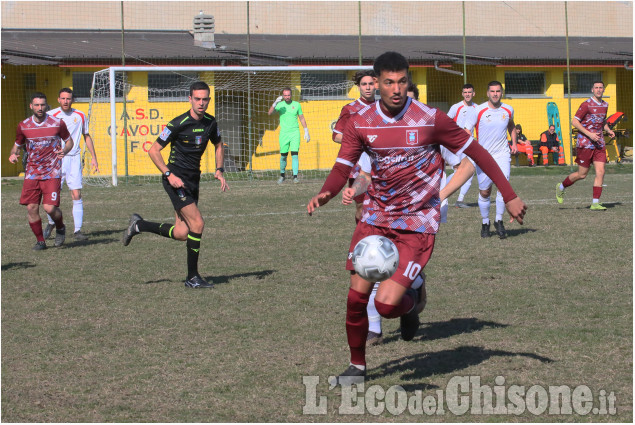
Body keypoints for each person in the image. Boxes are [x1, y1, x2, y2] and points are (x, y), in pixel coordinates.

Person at [307, 52, 527, 384]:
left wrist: (509, 194)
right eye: (388, 82)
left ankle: (410, 306)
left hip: (416, 223)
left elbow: (477, 153)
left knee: (386, 305)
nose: (396, 89)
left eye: (402, 81)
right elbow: (343, 166)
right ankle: (358, 366)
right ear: (376, 83)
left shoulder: (430, 119)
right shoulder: (361, 121)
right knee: (355, 297)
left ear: (409, 81)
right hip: (375, 220)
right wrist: (326, 192)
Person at [122, 81, 229, 288]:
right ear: (190, 99)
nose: (201, 103)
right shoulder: (177, 124)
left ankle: (138, 225)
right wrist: (169, 174)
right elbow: (153, 150)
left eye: (205, 99)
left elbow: (218, 145)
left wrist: (219, 169)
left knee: (182, 233)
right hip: (175, 180)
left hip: (193, 180)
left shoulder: (210, 122)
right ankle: (192, 277)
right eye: (197, 99)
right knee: (197, 224)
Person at [333, 70, 383, 345]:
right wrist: (359, 137)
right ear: (358, 87)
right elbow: (337, 136)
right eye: (363, 84)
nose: (367, 88)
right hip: (360, 171)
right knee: (364, 213)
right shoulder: (350, 109)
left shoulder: (383, 107)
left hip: (385, 172)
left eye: (370, 83)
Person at [9, 92, 73, 250]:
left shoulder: (57, 123)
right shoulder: (23, 125)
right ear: (31, 106)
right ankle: (40, 241)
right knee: (31, 207)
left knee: (49, 208)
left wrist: (64, 151)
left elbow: (69, 142)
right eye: (36, 105)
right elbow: (17, 145)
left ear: (46, 106)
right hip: (32, 172)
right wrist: (13, 154)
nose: (40, 108)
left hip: (52, 171)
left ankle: (60, 227)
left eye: (42, 105)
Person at [42, 88, 99, 241]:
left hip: (73, 159)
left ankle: (77, 231)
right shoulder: (50, 115)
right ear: (58, 99)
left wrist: (94, 157)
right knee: (53, 196)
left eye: (68, 98)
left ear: (72, 100)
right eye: (63, 98)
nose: (65, 101)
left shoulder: (80, 115)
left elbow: (86, 136)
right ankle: (51, 222)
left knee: (76, 193)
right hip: (55, 160)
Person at [464, 81, 518, 239]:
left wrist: (514, 143)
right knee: (485, 191)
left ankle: (499, 221)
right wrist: (471, 148)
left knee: (503, 187)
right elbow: (467, 130)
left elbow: (511, 126)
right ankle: (485, 222)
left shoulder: (508, 109)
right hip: (484, 156)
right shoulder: (478, 110)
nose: (495, 94)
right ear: (487, 93)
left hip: (502, 154)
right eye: (492, 91)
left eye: (498, 91)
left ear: (502, 93)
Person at [556, 81, 615, 210]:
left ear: (603, 90)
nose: (599, 90)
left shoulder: (605, 104)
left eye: (601, 88)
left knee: (601, 171)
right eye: (596, 88)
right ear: (592, 90)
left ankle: (595, 203)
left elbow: (602, 121)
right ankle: (561, 186)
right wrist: (590, 134)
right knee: (582, 174)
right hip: (585, 143)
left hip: (599, 143)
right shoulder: (586, 105)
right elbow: (574, 121)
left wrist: (608, 130)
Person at [268, 87, 310, 184]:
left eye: (288, 95)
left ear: (291, 95)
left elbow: (302, 118)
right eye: (285, 95)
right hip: (284, 134)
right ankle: (282, 176)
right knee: (283, 156)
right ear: (283, 96)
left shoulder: (297, 105)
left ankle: (295, 177)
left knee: (295, 155)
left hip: (295, 133)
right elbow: (269, 113)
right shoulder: (280, 105)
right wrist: (275, 103)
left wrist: (306, 130)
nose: (287, 97)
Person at [446, 84, 478, 207]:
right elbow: (446, 122)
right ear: (462, 94)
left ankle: (460, 200)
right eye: (465, 92)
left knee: (470, 171)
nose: (467, 94)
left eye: (469, 92)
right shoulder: (456, 107)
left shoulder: (477, 108)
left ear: (473, 93)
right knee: (460, 172)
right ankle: (440, 191)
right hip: (457, 144)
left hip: (470, 145)